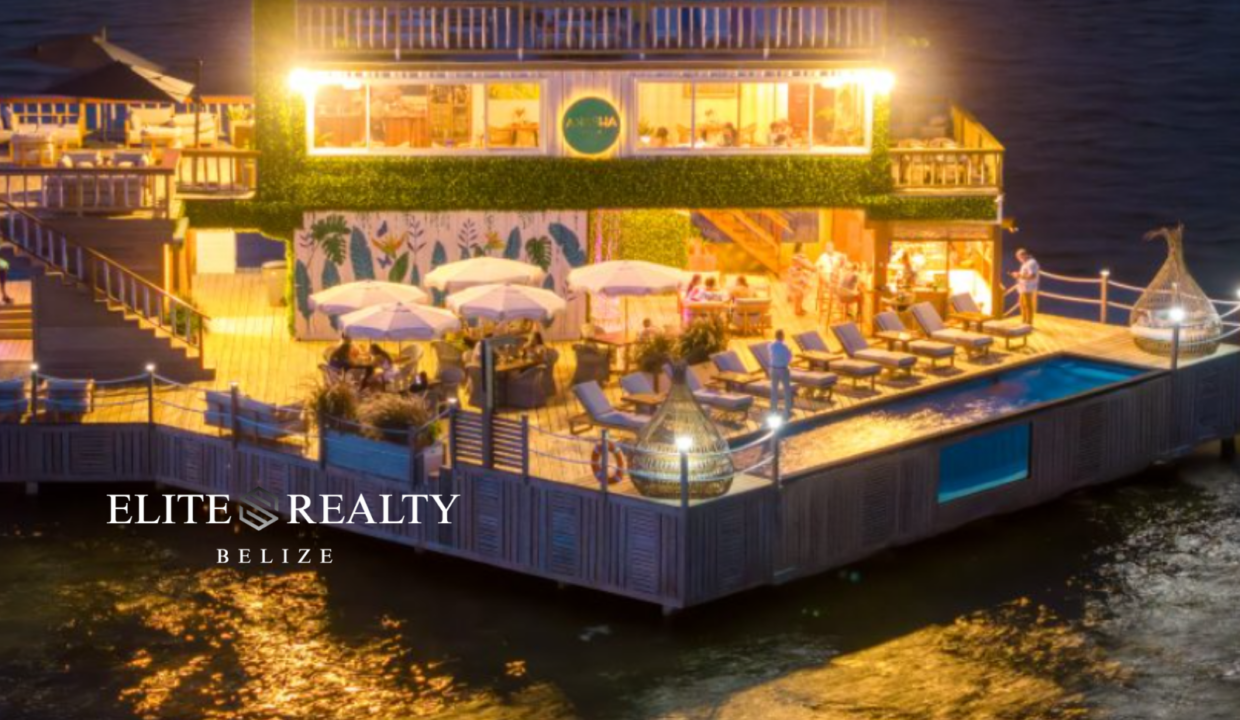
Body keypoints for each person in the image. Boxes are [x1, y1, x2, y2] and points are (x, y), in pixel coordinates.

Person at [1009, 248, 1040, 325]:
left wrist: (1019, 275)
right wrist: (1018, 274)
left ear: (1024, 255)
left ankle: (1028, 322)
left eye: (1019, 257)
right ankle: (1024, 321)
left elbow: (1032, 276)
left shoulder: (1031, 263)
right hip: (1023, 287)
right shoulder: (1026, 263)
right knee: (1022, 303)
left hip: (1028, 287)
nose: (1019, 260)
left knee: (1027, 304)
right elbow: (1026, 273)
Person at [769, 329, 795, 417]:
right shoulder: (785, 347)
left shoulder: (771, 346)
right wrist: (790, 353)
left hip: (773, 369)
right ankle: (787, 410)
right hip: (782, 369)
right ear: (782, 336)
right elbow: (788, 360)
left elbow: (772, 355)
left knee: (774, 390)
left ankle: (773, 409)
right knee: (786, 390)